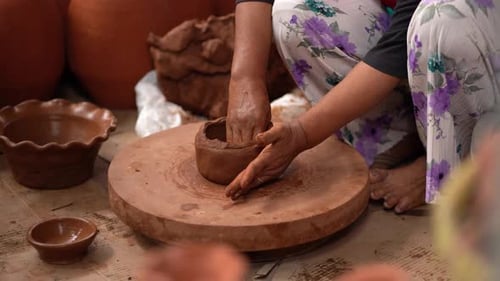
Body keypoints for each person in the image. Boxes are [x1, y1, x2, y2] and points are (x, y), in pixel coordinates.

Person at [224, 0, 500, 213]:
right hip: (405, 23)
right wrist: (245, 76)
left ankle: (450, 166)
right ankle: (406, 135)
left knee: (440, 21)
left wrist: (302, 134)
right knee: (295, 13)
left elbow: (398, 43)